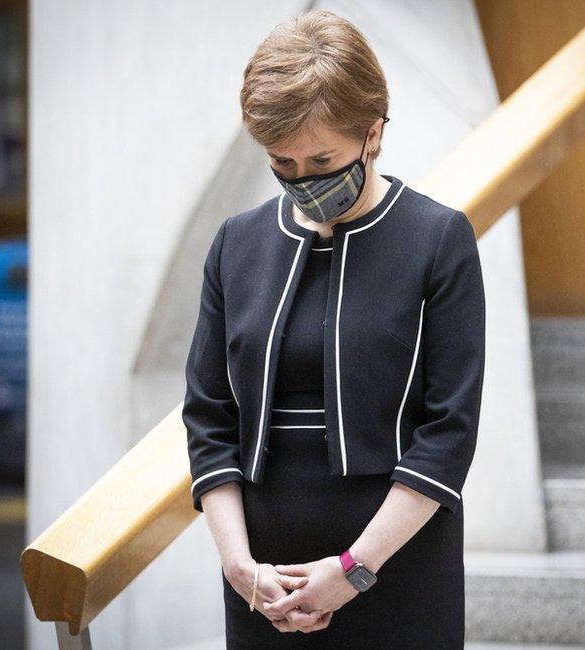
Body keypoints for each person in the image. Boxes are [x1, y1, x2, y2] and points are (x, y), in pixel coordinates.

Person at [182, 9, 486, 648]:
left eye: (323, 158)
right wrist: (240, 568)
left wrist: (355, 570)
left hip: (396, 566)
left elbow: (447, 433)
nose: (303, 180)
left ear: (373, 132)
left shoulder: (438, 240)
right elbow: (209, 419)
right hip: (263, 579)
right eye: (282, 164)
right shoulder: (237, 244)